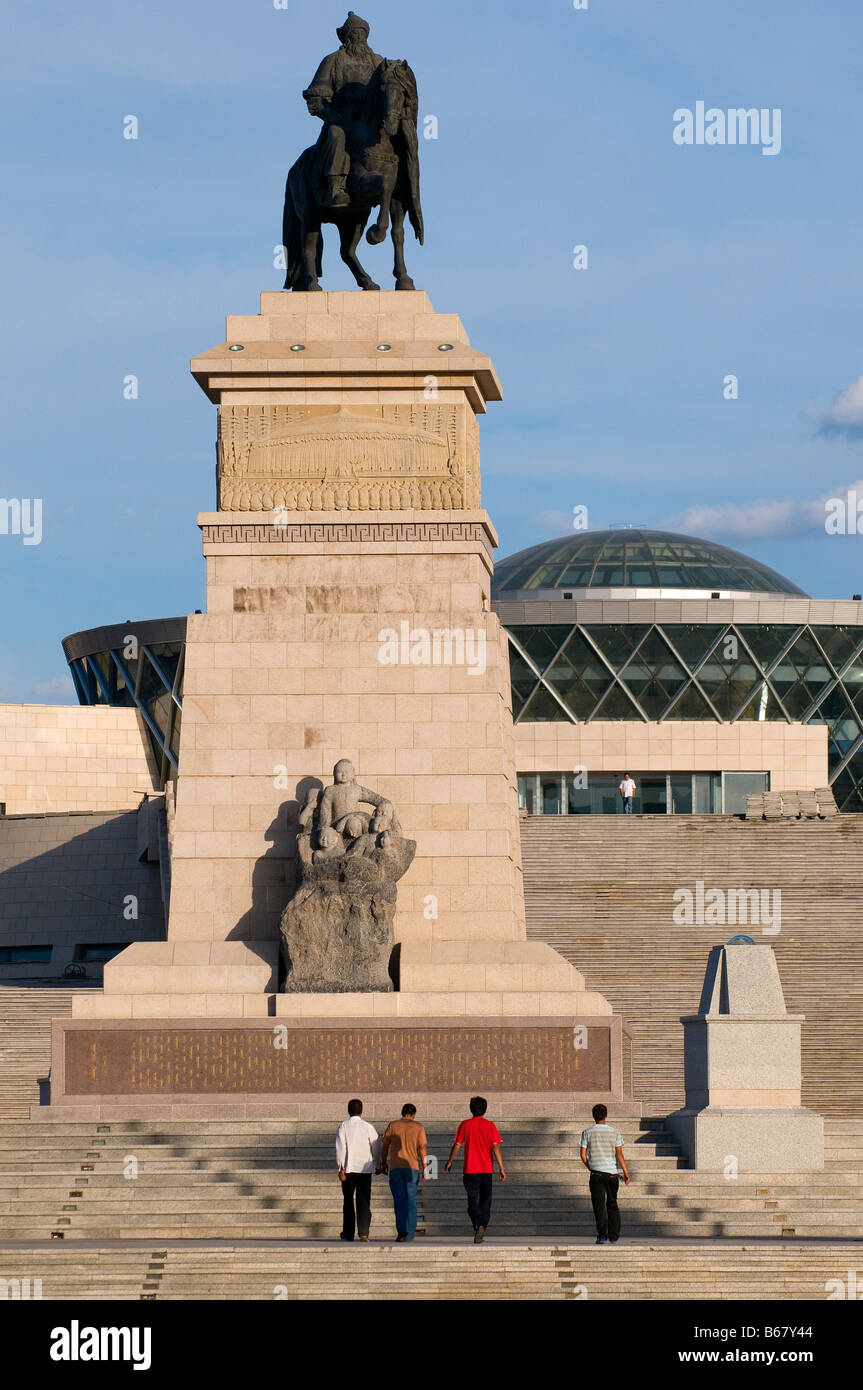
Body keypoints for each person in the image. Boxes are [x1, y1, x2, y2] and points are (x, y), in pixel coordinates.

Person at [302, 13, 384, 208]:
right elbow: (316, 97)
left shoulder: (378, 62)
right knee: (335, 134)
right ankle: (335, 187)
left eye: (363, 33)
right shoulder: (332, 61)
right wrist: (334, 116)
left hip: (369, 122)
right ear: (347, 36)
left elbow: (387, 90)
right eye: (355, 33)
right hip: (342, 120)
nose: (360, 38)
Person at [445, 1096, 506, 1243]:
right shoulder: (490, 1126)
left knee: (472, 1201)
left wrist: (450, 1161)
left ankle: (478, 1223)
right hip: (486, 1170)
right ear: (484, 1109)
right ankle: (482, 1224)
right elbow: (496, 1147)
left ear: (471, 1109)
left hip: (470, 1170)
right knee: (486, 1200)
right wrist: (501, 1168)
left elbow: (457, 1144)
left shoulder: (465, 1124)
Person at [580, 1102, 630, 1245]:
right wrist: (626, 1172)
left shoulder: (587, 1132)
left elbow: (583, 1155)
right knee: (612, 1203)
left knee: (599, 1205)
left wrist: (590, 1167)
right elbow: (619, 1154)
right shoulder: (615, 1132)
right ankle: (614, 1235)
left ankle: (602, 1235)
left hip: (596, 1174)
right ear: (606, 1116)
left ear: (593, 1116)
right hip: (612, 1174)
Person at [335, 1098, 381, 1242]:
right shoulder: (368, 1127)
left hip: (349, 1169)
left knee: (348, 1201)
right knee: (364, 1201)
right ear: (361, 1111)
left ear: (348, 1111)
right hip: (365, 1169)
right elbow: (376, 1145)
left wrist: (340, 1167)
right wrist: (377, 1162)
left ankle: (348, 1233)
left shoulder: (343, 1126)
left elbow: (341, 1148)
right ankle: (363, 1232)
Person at [380, 1103, 427, 1242]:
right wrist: (426, 1168)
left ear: (402, 1113)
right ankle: (410, 1233)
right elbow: (423, 1149)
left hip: (396, 1168)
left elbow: (384, 1146)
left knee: (399, 1201)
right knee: (411, 1201)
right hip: (412, 1168)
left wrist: (383, 1163)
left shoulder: (393, 1125)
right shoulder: (418, 1127)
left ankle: (402, 1231)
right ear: (414, 1114)